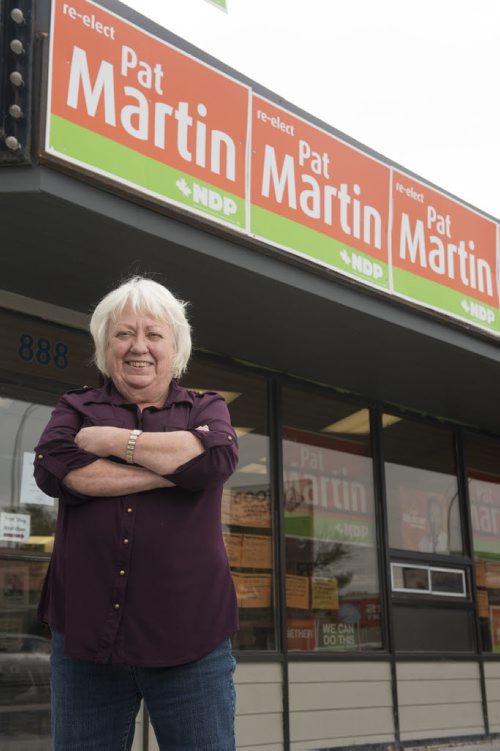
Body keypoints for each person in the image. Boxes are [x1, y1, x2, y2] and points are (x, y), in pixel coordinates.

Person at [33, 276, 239, 750]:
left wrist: (110, 441)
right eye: (123, 333)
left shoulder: (206, 407)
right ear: (105, 345)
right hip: (85, 639)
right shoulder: (76, 406)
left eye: (153, 334)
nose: (137, 347)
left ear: (176, 347)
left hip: (192, 641)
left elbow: (215, 459)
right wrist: (174, 470)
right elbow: (56, 469)